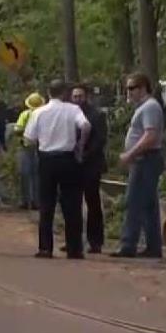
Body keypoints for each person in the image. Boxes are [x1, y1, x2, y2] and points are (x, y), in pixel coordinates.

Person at [24, 80, 91, 259]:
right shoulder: (73, 110)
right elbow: (85, 126)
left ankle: (45, 247)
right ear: (65, 93)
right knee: (72, 204)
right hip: (68, 158)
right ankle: (74, 248)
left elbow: (29, 138)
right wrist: (80, 146)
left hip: (46, 159)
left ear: (48, 92)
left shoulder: (38, 112)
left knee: (46, 204)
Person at [111, 73, 166, 259]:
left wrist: (130, 154)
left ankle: (128, 245)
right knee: (149, 204)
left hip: (146, 159)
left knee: (134, 201)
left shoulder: (150, 107)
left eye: (131, 88)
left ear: (143, 88)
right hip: (143, 159)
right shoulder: (144, 107)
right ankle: (153, 246)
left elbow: (150, 136)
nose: (128, 92)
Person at [71, 84, 109, 253]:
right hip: (73, 164)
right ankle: (74, 240)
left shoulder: (97, 115)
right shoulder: (69, 114)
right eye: (75, 96)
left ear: (86, 97)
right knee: (73, 203)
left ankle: (95, 241)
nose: (78, 99)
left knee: (93, 203)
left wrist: (84, 154)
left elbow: (100, 140)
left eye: (80, 96)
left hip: (92, 164)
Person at [13, 92, 45, 210]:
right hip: (41, 147)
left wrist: (25, 134)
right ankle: (37, 201)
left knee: (25, 174)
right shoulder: (44, 114)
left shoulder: (25, 114)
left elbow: (17, 130)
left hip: (26, 147)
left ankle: (25, 201)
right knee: (37, 175)